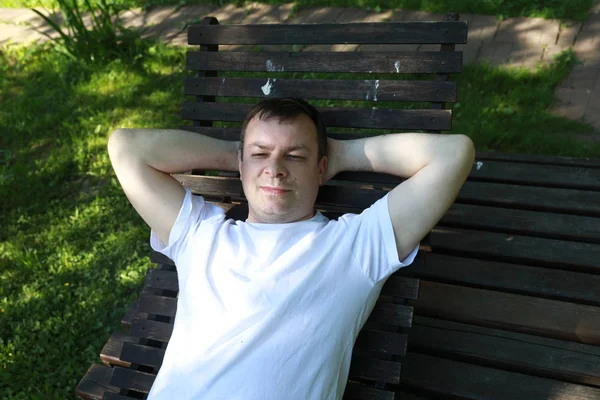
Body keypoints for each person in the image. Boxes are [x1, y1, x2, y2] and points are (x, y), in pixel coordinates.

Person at [107, 97, 475, 400]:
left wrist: (339, 156)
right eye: (261, 154)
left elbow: (454, 154)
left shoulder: (356, 246)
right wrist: (240, 157)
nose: (276, 169)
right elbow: (126, 147)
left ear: (321, 168)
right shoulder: (200, 234)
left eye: (295, 156)